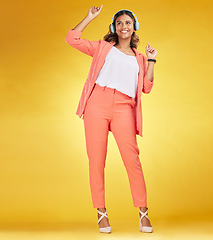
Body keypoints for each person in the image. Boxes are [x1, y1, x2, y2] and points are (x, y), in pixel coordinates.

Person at [65, 5, 157, 233]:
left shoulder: (140, 58)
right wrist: (89, 17)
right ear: (113, 28)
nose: (123, 26)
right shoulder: (102, 48)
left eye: (127, 22)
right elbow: (72, 39)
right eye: (119, 23)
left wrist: (152, 61)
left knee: (132, 160)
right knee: (96, 161)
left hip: (125, 107)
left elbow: (146, 87)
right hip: (97, 102)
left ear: (134, 27)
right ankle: (101, 213)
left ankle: (143, 213)